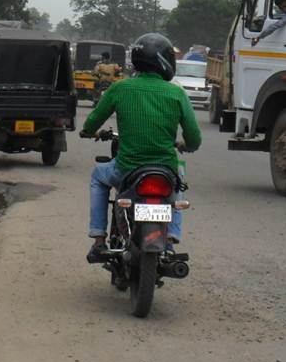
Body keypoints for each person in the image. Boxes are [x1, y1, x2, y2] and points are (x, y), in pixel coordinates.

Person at [80, 33, 201, 258]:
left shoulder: (120, 88)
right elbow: (194, 138)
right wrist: (185, 145)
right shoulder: (176, 93)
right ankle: (171, 238)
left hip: (127, 170)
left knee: (98, 176)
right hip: (165, 170)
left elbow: (91, 123)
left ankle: (98, 239)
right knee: (179, 177)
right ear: (164, 61)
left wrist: (89, 132)